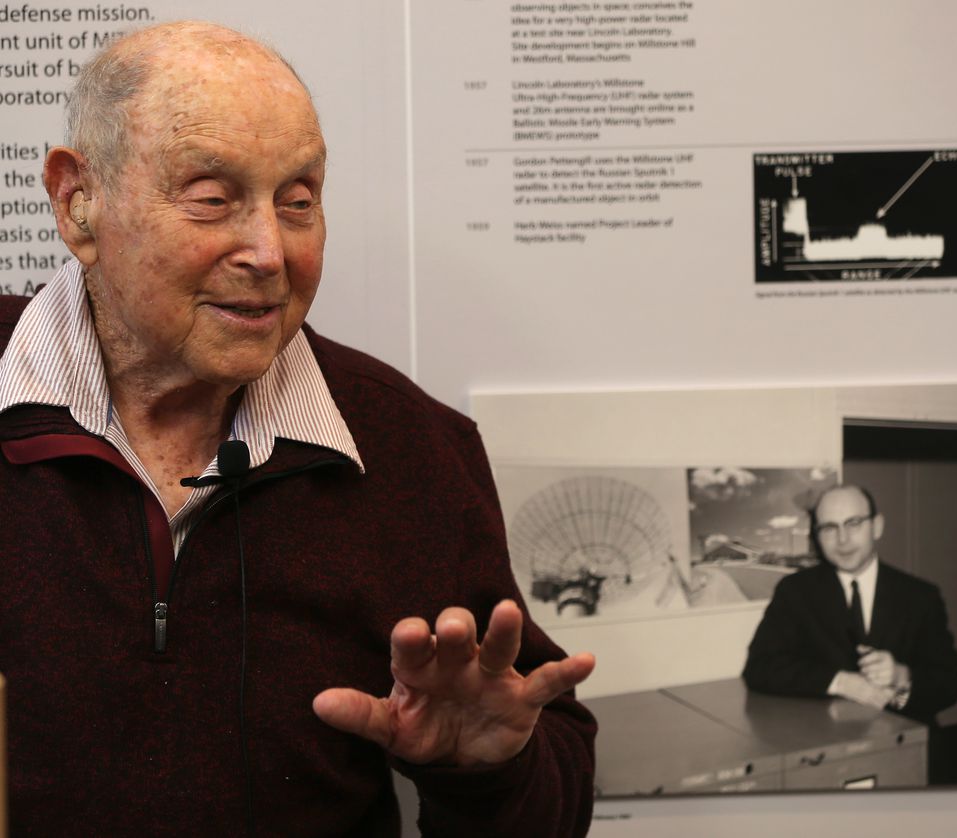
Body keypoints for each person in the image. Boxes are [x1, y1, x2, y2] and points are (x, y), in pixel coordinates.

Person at [0, 21, 595, 836]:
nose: (269, 252)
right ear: (79, 203)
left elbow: (546, 786)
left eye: (298, 202)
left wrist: (483, 772)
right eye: (212, 198)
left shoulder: (408, 446)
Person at [742, 483, 957, 723]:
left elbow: (948, 686)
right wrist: (840, 682)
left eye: (853, 523)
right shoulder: (795, 591)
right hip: (825, 744)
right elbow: (760, 667)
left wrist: (901, 676)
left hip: (906, 744)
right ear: (817, 535)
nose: (842, 539)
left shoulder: (921, 596)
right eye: (829, 528)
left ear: (876, 527)